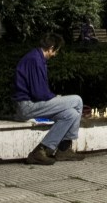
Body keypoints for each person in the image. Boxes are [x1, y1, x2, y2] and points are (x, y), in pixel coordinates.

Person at [11, 34, 85, 165]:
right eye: (56, 51)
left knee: (70, 114)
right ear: (51, 48)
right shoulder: (35, 60)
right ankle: (64, 148)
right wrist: (55, 97)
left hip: (31, 104)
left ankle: (42, 150)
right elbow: (39, 93)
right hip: (27, 106)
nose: (55, 54)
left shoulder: (36, 58)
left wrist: (53, 98)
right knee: (77, 100)